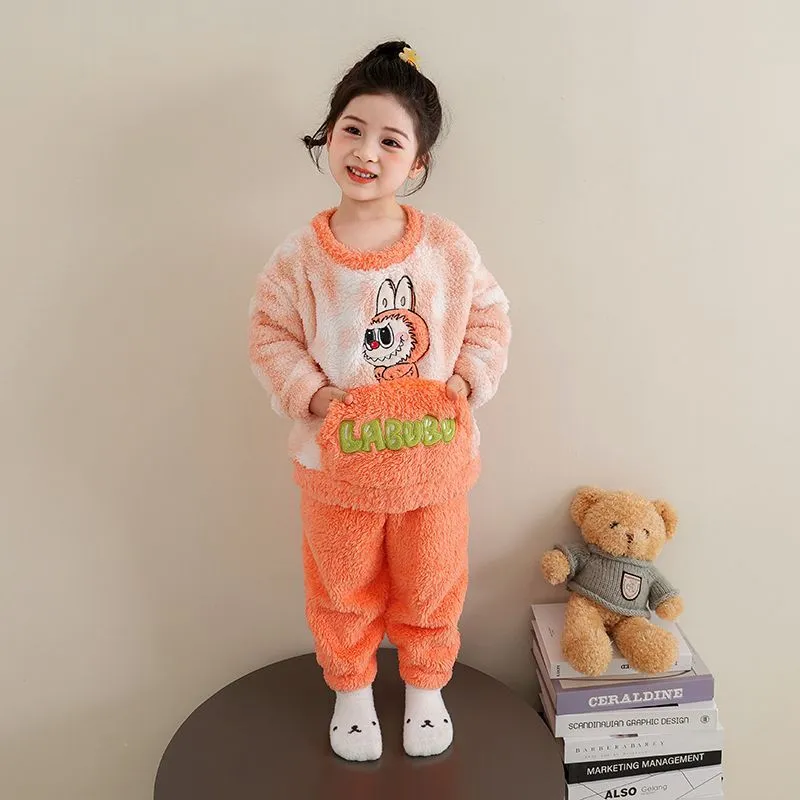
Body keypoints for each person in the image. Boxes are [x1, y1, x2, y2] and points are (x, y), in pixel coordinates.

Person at [248, 40, 511, 761]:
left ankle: (426, 686)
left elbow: (489, 318)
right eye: (353, 130)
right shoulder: (300, 259)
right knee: (341, 581)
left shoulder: (447, 249)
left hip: (433, 465)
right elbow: (269, 333)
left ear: (417, 162)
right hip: (337, 467)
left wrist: (466, 381)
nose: (366, 151)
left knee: (433, 578)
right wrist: (314, 395)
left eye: (391, 140)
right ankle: (351, 690)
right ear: (330, 135)